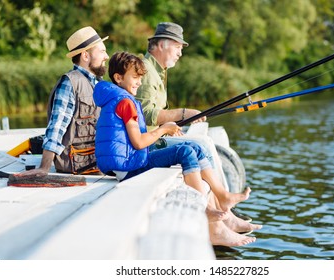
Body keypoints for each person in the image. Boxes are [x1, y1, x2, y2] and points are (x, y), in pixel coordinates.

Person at [93, 51, 258, 246]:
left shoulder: (114, 98)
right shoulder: (125, 102)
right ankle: (204, 207)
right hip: (128, 167)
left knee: (192, 148)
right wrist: (163, 129)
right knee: (185, 151)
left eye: (140, 78)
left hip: (125, 162)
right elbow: (138, 142)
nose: (139, 82)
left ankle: (222, 195)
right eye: (135, 77)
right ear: (118, 78)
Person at [136, 22, 252, 222]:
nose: (180, 53)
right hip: (150, 141)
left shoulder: (159, 71)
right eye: (178, 47)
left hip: (159, 136)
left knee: (202, 140)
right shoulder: (147, 71)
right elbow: (145, 114)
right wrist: (183, 113)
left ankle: (223, 204)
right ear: (162, 44)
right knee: (202, 143)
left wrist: (179, 121)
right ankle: (223, 205)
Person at [19, 26, 109, 177]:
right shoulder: (69, 83)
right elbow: (56, 127)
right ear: (85, 56)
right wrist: (44, 167)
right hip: (78, 168)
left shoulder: (98, 83)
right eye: (102, 51)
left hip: (96, 165)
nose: (106, 56)